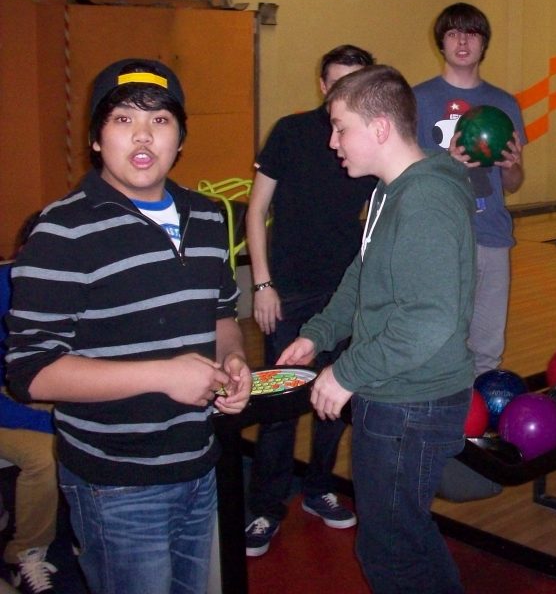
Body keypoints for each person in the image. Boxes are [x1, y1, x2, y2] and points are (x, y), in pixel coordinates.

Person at [5, 58, 252, 594]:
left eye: (160, 120)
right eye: (123, 119)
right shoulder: (61, 231)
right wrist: (163, 375)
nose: (143, 135)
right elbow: (31, 373)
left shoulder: (209, 217)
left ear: (180, 138)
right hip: (115, 483)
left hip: (199, 461)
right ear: (96, 139)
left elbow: (221, 314)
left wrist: (233, 358)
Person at [278, 64, 476, 593]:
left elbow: (428, 319)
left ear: (381, 127)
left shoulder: (426, 199)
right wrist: (319, 333)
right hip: (396, 393)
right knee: (402, 537)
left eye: (340, 127)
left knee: (390, 549)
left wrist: (346, 372)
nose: (333, 142)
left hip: (412, 403)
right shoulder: (394, 190)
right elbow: (363, 272)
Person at [244, 44, 376, 556]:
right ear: (322, 86)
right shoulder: (290, 131)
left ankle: (319, 487)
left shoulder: (368, 141)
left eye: (356, 82)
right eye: (337, 82)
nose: (345, 91)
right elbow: (256, 210)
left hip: (345, 294)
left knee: (333, 397)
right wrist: (262, 284)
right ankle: (265, 505)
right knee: (279, 406)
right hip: (288, 292)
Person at [413, 2, 526, 375]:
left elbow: (513, 183)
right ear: (441, 43)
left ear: (484, 43)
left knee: (487, 352)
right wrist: (447, 161)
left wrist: (511, 167)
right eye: (453, 33)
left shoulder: (504, 103)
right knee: (438, 346)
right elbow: (404, 177)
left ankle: (476, 411)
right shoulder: (416, 100)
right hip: (438, 237)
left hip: (491, 234)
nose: (462, 41)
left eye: (472, 33)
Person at [1, 233, 59, 594]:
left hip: (31, 387)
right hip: (8, 397)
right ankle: (24, 554)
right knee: (45, 455)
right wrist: (48, 422)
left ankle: (93, 532)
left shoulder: (65, 289)